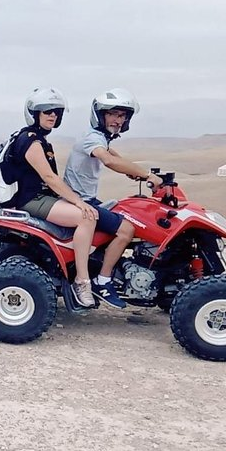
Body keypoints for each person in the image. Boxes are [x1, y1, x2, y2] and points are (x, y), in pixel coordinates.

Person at [63, 88, 163, 309]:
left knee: (125, 212)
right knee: (127, 229)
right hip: (81, 202)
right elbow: (107, 160)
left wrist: (135, 171)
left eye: (122, 116)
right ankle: (103, 281)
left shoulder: (100, 138)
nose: (118, 120)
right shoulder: (92, 138)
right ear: (101, 115)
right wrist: (147, 175)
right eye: (113, 114)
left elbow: (114, 156)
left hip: (87, 198)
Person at [9, 87, 100, 308]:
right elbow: (49, 177)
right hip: (33, 200)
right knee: (87, 217)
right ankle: (82, 281)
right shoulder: (30, 141)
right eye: (47, 111)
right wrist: (79, 202)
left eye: (57, 112)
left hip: (41, 197)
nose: (53, 115)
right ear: (34, 113)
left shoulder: (38, 140)